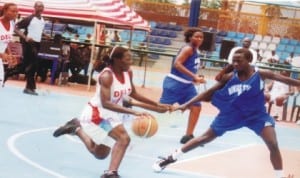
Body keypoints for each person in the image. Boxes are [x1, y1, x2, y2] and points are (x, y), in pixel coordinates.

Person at [152, 48, 299, 178]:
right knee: (204, 138)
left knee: (273, 143)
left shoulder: (260, 74)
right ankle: (170, 158)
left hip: (256, 115)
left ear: (248, 60)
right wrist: (185, 104)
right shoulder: (230, 77)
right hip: (232, 114)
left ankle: (280, 176)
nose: (235, 64)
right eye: (233, 61)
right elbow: (209, 91)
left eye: (239, 61)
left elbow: (285, 79)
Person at [52, 46, 171, 178]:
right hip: (97, 115)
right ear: (117, 60)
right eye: (127, 59)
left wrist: (156, 104)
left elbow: (134, 94)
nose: (130, 61)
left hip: (112, 115)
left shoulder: (128, 73)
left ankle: (76, 128)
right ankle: (111, 173)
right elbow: (106, 103)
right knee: (124, 138)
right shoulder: (107, 76)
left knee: (99, 154)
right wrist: (133, 113)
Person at [159, 27, 206, 144]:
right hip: (175, 83)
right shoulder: (188, 49)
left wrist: (195, 78)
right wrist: (194, 77)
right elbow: (177, 64)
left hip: (187, 86)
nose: (199, 39)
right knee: (161, 109)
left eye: (201, 37)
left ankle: (188, 135)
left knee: (196, 106)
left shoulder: (196, 51)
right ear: (190, 38)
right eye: (196, 36)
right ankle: (134, 103)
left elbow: (189, 67)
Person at [14, 1, 46, 95]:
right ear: (34, 7)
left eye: (42, 7)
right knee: (31, 65)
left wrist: (44, 34)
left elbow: (37, 29)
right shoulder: (29, 18)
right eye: (39, 6)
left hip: (37, 44)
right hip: (29, 44)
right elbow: (16, 28)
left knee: (33, 66)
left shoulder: (42, 19)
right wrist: (25, 37)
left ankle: (29, 88)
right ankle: (29, 88)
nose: (41, 8)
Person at [0, 3, 18, 87]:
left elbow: (5, 42)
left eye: (16, 11)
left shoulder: (12, 24)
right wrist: (1, 54)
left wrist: (10, 54)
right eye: (13, 11)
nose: (15, 13)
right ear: (5, 10)